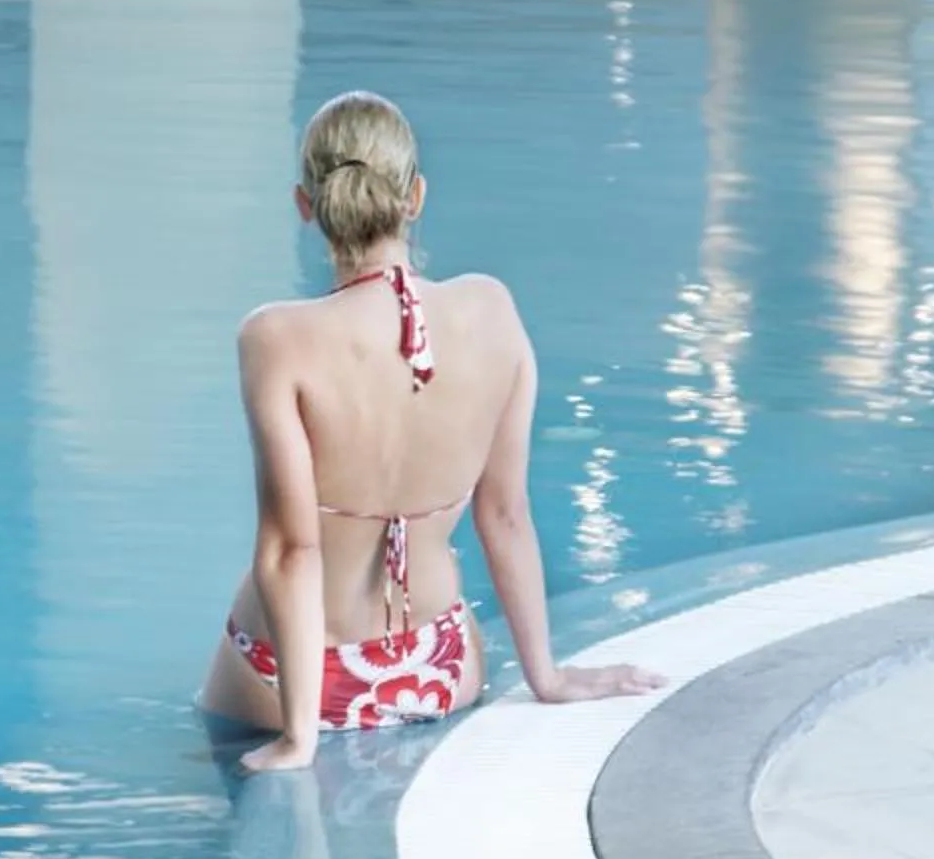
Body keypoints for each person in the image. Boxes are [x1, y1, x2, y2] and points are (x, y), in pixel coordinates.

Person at [201, 91, 663, 774]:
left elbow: (292, 549)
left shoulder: (277, 338)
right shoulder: (492, 311)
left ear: (307, 206)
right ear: (414, 196)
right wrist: (550, 678)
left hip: (284, 682)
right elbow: (504, 515)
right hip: (439, 665)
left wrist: (301, 735)